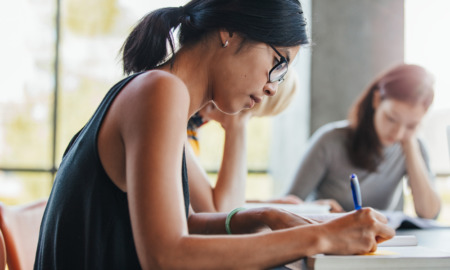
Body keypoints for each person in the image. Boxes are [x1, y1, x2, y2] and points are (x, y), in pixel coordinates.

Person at [34, 1, 394, 269]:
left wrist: (265, 215)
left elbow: (185, 222)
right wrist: (321, 235)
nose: (271, 88)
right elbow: (166, 255)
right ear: (229, 32)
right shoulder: (160, 91)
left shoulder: (160, 92)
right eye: (278, 64)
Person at [287, 64, 441, 219]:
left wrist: (410, 146)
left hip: (380, 241)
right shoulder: (330, 140)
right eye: (391, 119)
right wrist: (315, 210)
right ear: (376, 100)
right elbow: (286, 206)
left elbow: (429, 214)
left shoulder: (413, 146)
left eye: (411, 125)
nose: (398, 132)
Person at [187, 71, 303, 213]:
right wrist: (237, 124)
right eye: (251, 115)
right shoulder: (182, 121)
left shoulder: (193, 125)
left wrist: (261, 204)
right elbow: (223, 214)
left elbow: (192, 200)